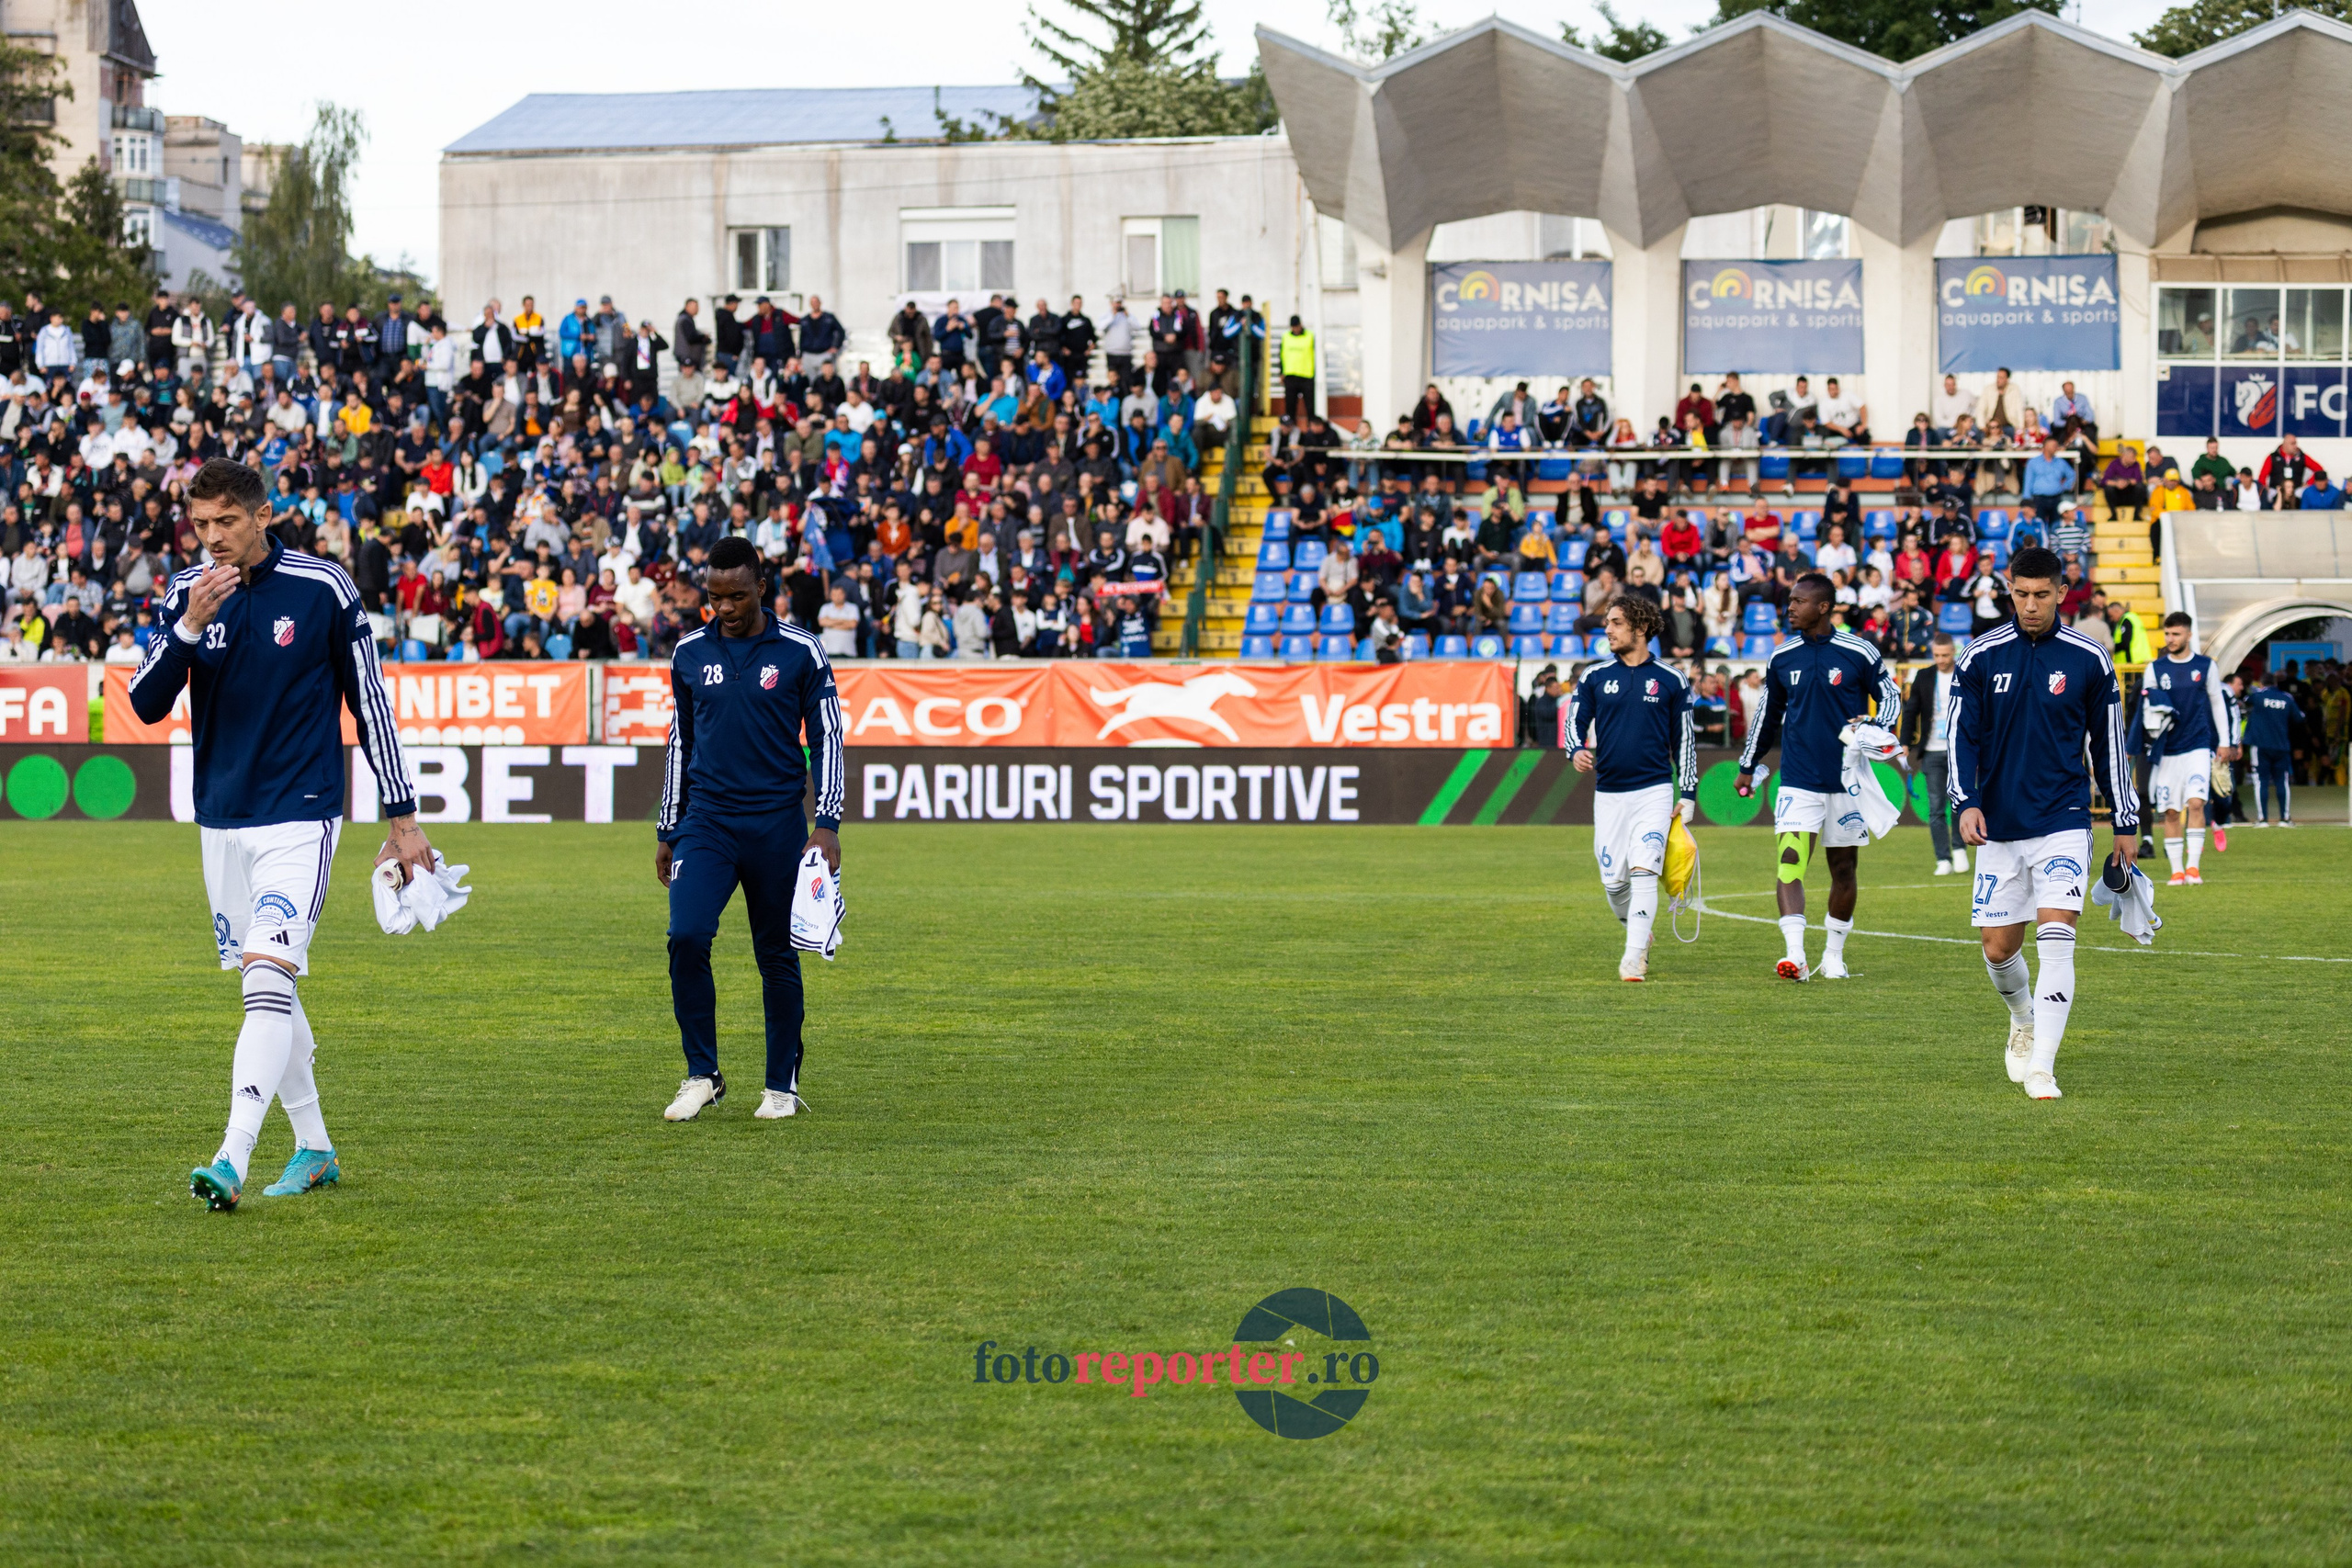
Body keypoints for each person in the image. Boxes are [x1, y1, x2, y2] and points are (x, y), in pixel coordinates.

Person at [125, 457, 429, 1212]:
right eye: (200, 524)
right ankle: (317, 1147)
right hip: (221, 821)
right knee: (270, 988)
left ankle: (231, 1156)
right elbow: (145, 702)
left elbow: (372, 702)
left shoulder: (324, 587)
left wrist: (404, 817)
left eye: (226, 520)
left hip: (301, 812)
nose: (213, 537)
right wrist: (189, 623)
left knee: (266, 979)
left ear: (263, 515)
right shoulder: (185, 594)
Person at [655, 536, 845, 1124]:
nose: (725, 608)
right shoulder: (688, 653)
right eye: (714, 597)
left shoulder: (801, 651)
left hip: (777, 827)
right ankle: (702, 1074)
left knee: (777, 957)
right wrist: (669, 826)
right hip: (707, 822)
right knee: (686, 936)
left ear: (762, 587)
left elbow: (829, 735)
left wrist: (828, 822)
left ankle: (780, 1085)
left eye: (736, 595)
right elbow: (679, 742)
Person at [1948, 545, 2138, 1100]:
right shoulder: (1979, 656)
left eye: (2042, 595)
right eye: (2021, 594)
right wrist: (1966, 802)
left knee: (2057, 935)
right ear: (2010, 590)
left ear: (2061, 594)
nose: (2030, 605)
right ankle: (2023, 1017)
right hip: (2000, 824)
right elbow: (1960, 736)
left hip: (2064, 816)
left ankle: (2043, 1069)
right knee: (1998, 949)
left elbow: (2109, 745)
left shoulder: (2090, 658)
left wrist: (2124, 819)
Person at [1735, 570, 1903, 981]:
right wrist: (1746, 766)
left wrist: (1876, 725)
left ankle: (1834, 955)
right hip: (1797, 778)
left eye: (1798, 601)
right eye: (1790, 600)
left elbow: (1892, 696)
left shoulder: (1858, 651)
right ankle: (1796, 956)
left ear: (1823, 607)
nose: (1790, 607)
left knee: (1843, 869)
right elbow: (1766, 717)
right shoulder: (1781, 657)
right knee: (1790, 861)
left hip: (1848, 781)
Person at [1564, 593, 1697, 983]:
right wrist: (1575, 750)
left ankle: (1633, 957)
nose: (1607, 629)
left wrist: (1686, 794)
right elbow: (1574, 722)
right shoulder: (1594, 676)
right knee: (1613, 882)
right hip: (1608, 794)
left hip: (1654, 792)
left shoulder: (1672, 679)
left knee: (1644, 870)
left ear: (1640, 628)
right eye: (1607, 622)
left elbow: (1685, 741)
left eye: (1616, 622)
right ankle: (1641, 934)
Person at [2134, 612, 2236, 884]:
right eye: (2167, 634)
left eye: (2176, 634)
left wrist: (2224, 741)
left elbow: (2217, 703)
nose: (2171, 639)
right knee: (2169, 811)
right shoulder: (2155, 669)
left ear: (2189, 635)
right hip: (2167, 750)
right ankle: (2176, 871)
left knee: (2195, 803)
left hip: (2197, 746)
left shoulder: (2205, 666)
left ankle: (2193, 868)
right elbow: (2149, 711)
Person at [1900, 632, 1967, 876]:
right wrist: (1905, 742)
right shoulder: (1924, 676)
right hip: (1931, 750)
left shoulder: (1966, 674)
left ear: (1954, 653)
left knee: (1961, 802)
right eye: (1937, 655)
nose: (1941, 660)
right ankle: (1943, 858)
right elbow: (1911, 711)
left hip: (1961, 750)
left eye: (1945, 655)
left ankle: (1960, 849)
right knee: (1936, 806)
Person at [2242, 668, 2304, 826]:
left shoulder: (2258, 696)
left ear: (2261, 683)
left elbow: (2245, 700)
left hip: (2261, 746)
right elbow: (2299, 718)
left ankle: (2262, 819)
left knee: (2261, 781)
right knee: (2281, 782)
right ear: (2276, 683)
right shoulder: (2287, 698)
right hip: (2281, 746)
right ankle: (2285, 818)